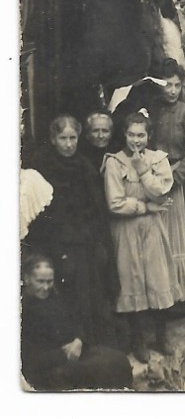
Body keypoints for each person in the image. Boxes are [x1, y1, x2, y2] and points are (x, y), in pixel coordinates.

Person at [26, 114, 119, 348]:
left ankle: (93, 344)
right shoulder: (42, 167)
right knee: (69, 295)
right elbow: (42, 215)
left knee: (92, 295)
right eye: (63, 138)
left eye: (73, 138)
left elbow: (95, 208)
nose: (69, 144)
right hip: (58, 245)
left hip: (85, 242)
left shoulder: (84, 166)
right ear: (53, 139)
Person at [104, 111, 180, 363]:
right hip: (126, 229)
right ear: (124, 135)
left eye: (141, 135)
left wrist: (143, 171)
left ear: (149, 136)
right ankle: (138, 340)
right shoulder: (114, 162)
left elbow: (162, 191)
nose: (136, 141)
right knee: (132, 280)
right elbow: (115, 203)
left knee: (158, 279)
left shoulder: (158, 160)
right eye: (131, 135)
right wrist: (144, 206)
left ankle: (161, 336)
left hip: (153, 228)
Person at [21, 254, 132, 392]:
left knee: (118, 359)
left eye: (49, 281)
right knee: (103, 368)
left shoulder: (55, 298)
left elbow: (77, 322)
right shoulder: (23, 309)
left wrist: (79, 341)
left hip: (75, 352)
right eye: (40, 281)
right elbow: (29, 358)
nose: (45, 287)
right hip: (49, 368)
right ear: (27, 279)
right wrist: (65, 353)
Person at [151, 60, 185, 306]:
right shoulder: (152, 110)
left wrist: (178, 175)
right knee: (163, 236)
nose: (171, 90)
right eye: (167, 85)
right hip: (156, 179)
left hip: (179, 178)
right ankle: (167, 297)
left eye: (176, 85)